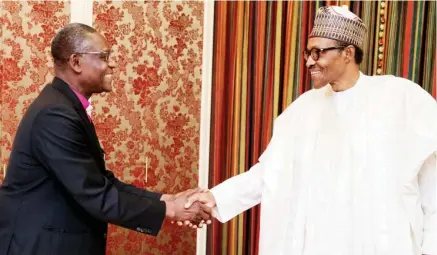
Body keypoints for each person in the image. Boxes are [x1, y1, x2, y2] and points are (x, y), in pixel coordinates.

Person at [184, 6, 437, 255]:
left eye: (318, 53)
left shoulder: (400, 98)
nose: (308, 61)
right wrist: (215, 198)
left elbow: (432, 185)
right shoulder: (304, 109)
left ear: (348, 53)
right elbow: (269, 173)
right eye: (308, 53)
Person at [0, 23, 211, 255]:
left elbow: (102, 181)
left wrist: (167, 199)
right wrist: (168, 210)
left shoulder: (65, 106)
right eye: (103, 56)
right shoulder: (55, 114)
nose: (112, 64)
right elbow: (95, 194)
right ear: (76, 62)